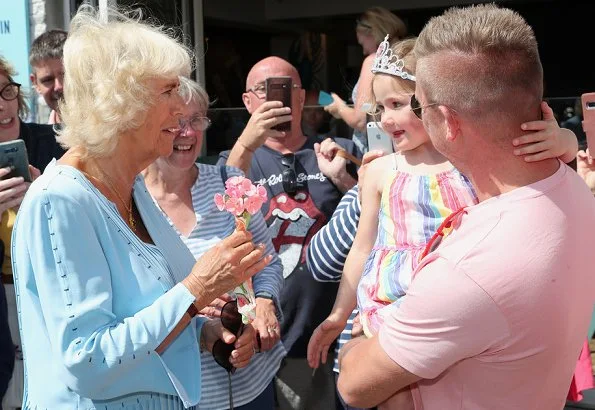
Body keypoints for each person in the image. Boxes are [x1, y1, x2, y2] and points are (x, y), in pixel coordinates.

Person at [335, 4, 595, 409]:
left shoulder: (466, 271)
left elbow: (354, 385)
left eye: (416, 104)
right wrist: (565, 144)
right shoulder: (573, 193)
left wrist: (353, 337)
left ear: (447, 121)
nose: (389, 120)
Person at [11, 6, 267, 409]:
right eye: (168, 91)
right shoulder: (59, 200)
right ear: (121, 103)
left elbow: (142, 315)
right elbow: (88, 358)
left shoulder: (131, 186)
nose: (182, 107)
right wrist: (197, 289)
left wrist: (206, 332)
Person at [218, 56, 361, 409]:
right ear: (247, 101)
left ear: (301, 98)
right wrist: (246, 145)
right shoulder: (232, 164)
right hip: (270, 340)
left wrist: (342, 178)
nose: (275, 98)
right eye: (263, 91)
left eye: (285, 88)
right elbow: (223, 232)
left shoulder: (336, 152)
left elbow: (374, 220)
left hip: (335, 331)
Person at [143, 76, 285, 410]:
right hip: (177, 395)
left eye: (196, 120)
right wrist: (200, 330)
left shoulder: (230, 184)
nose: (188, 133)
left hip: (252, 388)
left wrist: (264, 302)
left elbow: (269, 262)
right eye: (176, 122)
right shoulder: (130, 204)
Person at [0, 55, 65, 410]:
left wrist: (48, 194)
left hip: (47, 298)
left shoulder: (51, 143)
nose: (2, 105)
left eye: (7, 91)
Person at [324, 6, 407, 153]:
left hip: (376, 148)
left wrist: (339, 107)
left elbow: (360, 119)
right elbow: (370, 109)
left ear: (374, 33)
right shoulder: (408, 57)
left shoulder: (374, 61)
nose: (363, 51)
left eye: (362, 44)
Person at [29, 29, 67, 124]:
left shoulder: (108, 131)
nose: (59, 86)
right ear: (35, 83)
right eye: (48, 80)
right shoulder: (37, 137)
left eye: (65, 75)